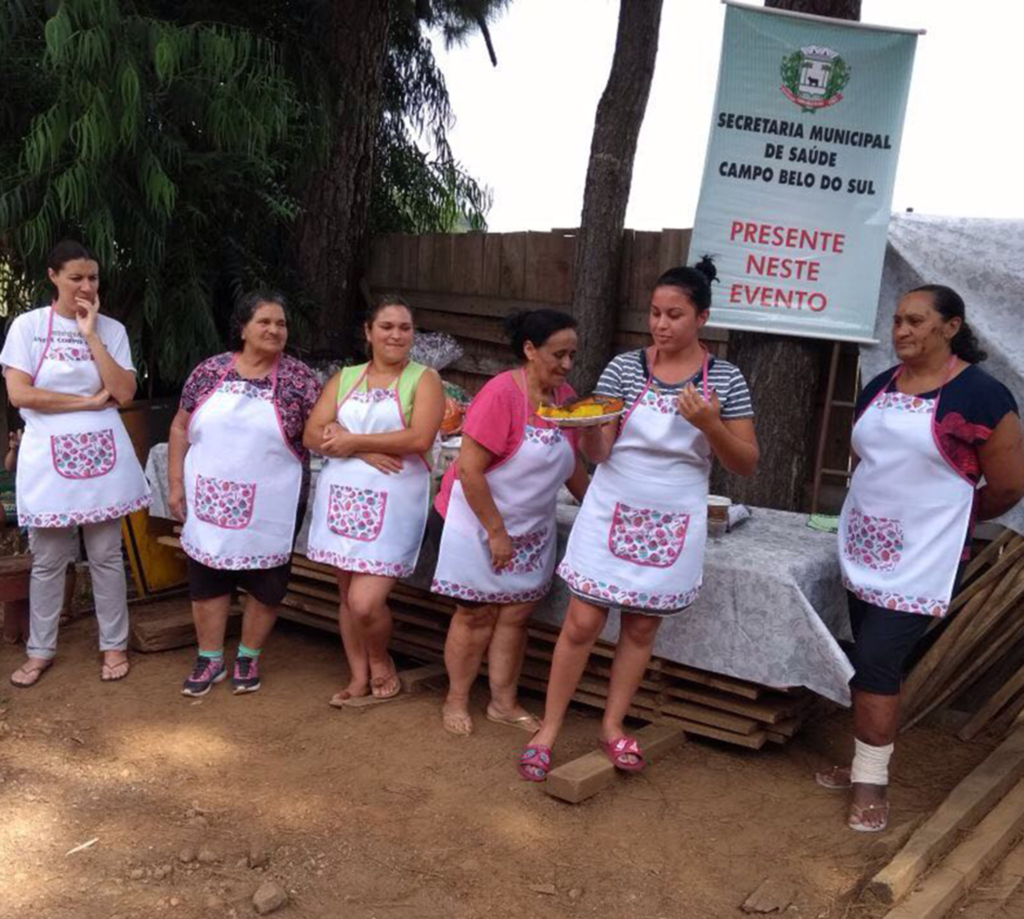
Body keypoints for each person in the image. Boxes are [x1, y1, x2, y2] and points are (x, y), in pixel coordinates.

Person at [519, 258, 759, 781]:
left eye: (675, 314)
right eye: (654, 313)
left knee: (641, 626)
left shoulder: (725, 379)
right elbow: (602, 452)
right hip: (612, 505)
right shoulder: (626, 368)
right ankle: (548, 729)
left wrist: (710, 425)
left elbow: (744, 461)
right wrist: (588, 430)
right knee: (582, 622)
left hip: (674, 513)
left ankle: (612, 725)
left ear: (702, 319)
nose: (661, 324)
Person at [816, 284, 1024, 831]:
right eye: (897, 321)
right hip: (863, 546)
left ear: (950, 327)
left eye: (915, 321)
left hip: (921, 558)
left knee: (877, 662)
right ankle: (864, 755)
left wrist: (946, 517)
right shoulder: (883, 384)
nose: (901, 331)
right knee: (869, 653)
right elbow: (864, 454)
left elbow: (1006, 486)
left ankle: (871, 780)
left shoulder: (982, 396)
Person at [432, 310, 589, 735]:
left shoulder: (566, 398)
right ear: (529, 350)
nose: (567, 365)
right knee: (475, 614)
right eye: (559, 355)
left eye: (572, 355)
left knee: (516, 616)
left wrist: (597, 508)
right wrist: (497, 533)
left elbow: (572, 466)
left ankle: (503, 701)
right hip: (480, 522)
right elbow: (469, 470)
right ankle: (457, 699)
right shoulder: (501, 394)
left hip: (532, 527)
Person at [1, 239, 151, 686]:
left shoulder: (112, 330)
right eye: (76, 278)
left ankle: (113, 645)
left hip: (102, 454)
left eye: (93, 277)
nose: (86, 286)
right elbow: (20, 394)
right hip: (48, 453)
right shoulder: (27, 327)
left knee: (105, 554)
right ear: (53, 277)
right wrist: (84, 403)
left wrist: (91, 335)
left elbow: (123, 392)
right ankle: (40, 649)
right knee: (49, 557)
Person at [167, 290, 320, 696]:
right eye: (265, 322)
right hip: (208, 498)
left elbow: (322, 433)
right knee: (207, 577)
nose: (274, 330)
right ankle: (209, 658)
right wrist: (176, 483)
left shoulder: (299, 380)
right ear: (243, 328)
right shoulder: (209, 371)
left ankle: (248, 655)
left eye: (281, 323)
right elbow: (181, 427)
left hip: (273, 502)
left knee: (266, 582)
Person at [304, 296, 444, 706]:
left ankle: (381, 659)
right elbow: (313, 433)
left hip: (395, 501)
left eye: (404, 327)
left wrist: (351, 439)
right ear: (368, 332)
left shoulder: (424, 379)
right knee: (347, 594)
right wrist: (359, 451)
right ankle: (358, 675)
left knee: (366, 601)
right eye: (386, 326)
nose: (396, 335)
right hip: (343, 500)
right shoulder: (345, 379)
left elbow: (418, 438)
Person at [4, 427, 78, 625]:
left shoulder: (57, 432)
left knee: (67, 561)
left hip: (61, 505)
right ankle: (44, 612)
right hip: (35, 508)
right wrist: (14, 448)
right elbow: (9, 467)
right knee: (41, 560)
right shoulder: (28, 434)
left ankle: (65, 608)